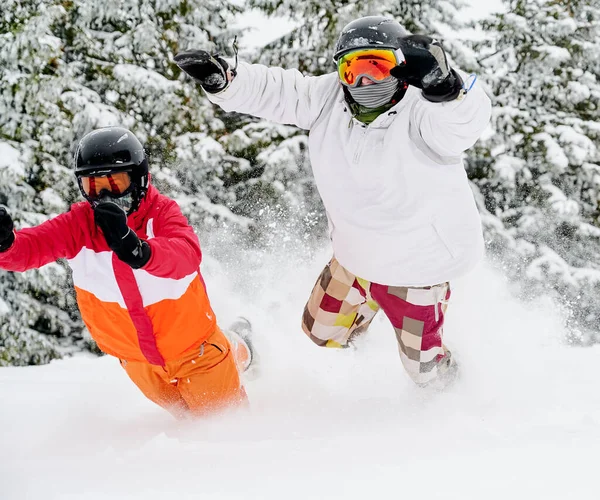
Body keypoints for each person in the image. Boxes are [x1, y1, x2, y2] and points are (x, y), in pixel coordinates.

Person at [174, 16, 492, 388]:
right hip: (359, 256)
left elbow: (464, 123)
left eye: (376, 65)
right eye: (351, 68)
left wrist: (446, 88)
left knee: (425, 371)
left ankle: (455, 390)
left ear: (401, 67)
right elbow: (278, 90)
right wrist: (228, 81)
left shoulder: (423, 111)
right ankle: (370, 327)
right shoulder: (329, 99)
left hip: (417, 266)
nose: (363, 81)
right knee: (320, 330)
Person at [0, 126, 256, 417]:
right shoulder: (81, 225)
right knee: (185, 420)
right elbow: (31, 248)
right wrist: (6, 243)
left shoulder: (160, 212)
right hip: (137, 361)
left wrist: (140, 251)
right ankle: (233, 344)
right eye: (94, 186)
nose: (105, 195)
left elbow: (186, 255)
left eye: (115, 182)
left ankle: (238, 346)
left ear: (139, 179)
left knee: (221, 427)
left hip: (195, 352)